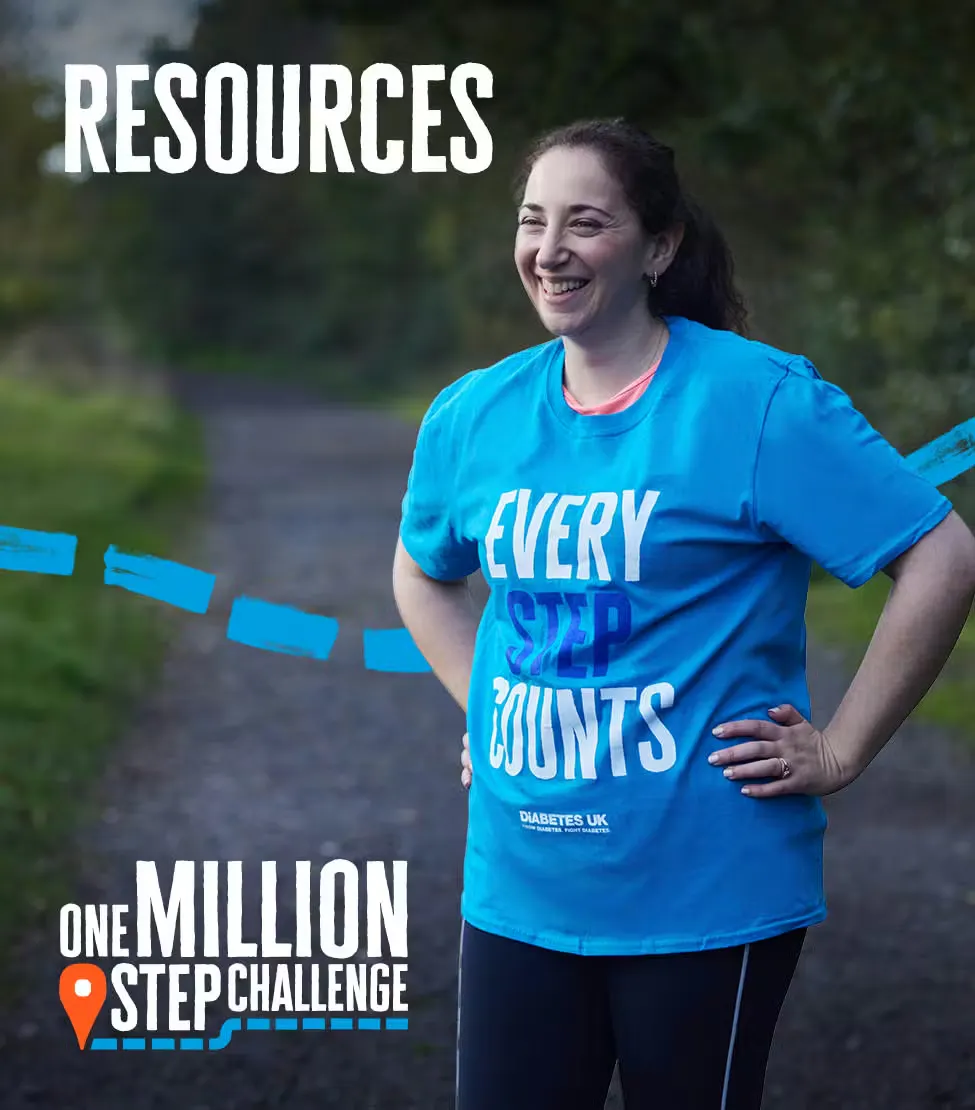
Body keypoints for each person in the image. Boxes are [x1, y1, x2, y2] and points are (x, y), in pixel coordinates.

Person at [391, 118, 975, 1110]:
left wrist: (841, 751)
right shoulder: (474, 414)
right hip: (521, 890)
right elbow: (422, 574)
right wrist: (483, 709)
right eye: (534, 222)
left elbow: (943, 554)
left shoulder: (755, 403)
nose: (550, 250)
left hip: (706, 892)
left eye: (587, 223)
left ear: (658, 247)